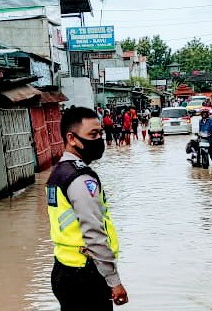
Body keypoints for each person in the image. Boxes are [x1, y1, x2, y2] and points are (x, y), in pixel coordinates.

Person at [46, 107, 128, 310]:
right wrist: (113, 280)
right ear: (71, 138)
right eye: (93, 134)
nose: (99, 139)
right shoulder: (81, 179)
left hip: (64, 267)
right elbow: (93, 232)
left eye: (100, 133)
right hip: (85, 274)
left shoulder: (58, 173)